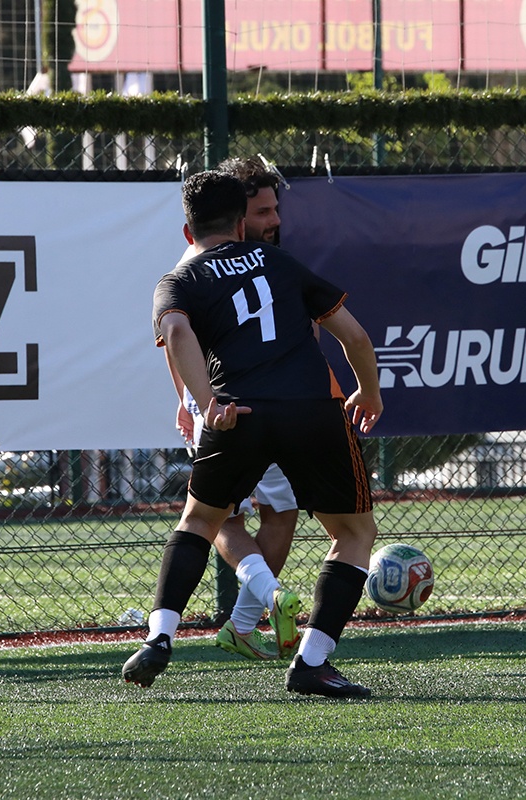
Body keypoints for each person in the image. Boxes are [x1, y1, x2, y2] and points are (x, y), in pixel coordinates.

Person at [124, 170, 384, 698]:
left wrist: (207, 403)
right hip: (313, 411)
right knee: (353, 534)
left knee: (200, 521)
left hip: (237, 412)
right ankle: (312, 662)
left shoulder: (179, 279)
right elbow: (354, 336)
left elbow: (176, 332)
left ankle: (160, 637)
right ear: (242, 224)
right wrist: (369, 392)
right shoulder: (279, 261)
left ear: (187, 231)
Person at [168, 157, 301, 662]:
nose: (275, 220)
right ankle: (260, 606)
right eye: (263, 212)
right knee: (223, 516)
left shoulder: (261, 259)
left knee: (245, 514)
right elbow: (173, 340)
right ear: (237, 218)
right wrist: (190, 400)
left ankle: (247, 619)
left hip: (251, 403)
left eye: (275, 209)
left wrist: (185, 400)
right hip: (232, 404)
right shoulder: (200, 265)